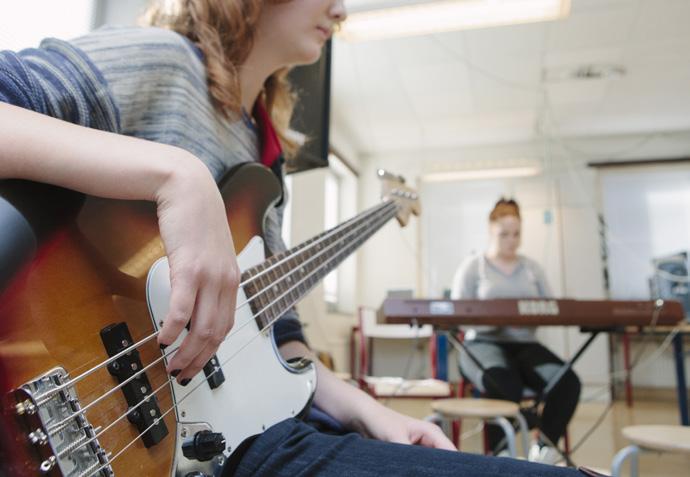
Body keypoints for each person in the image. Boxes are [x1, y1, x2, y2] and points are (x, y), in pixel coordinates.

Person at [0, 1, 589, 475]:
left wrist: (370, 412)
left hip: (236, 435)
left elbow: (280, 340)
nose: (343, 11)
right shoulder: (165, 62)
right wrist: (174, 175)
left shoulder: (264, 162)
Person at [450, 198, 582, 464]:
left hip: (525, 345)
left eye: (517, 234)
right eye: (504, 234)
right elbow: (457, 314)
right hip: (482, 343)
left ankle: (543, 448)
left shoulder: (532, 268)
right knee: (502, 380)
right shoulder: (473, 267)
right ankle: (501, 454)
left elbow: (551, 308)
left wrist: (527, 319)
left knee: (567, 382)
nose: (512, 240)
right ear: (491, 230)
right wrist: (496, 321)